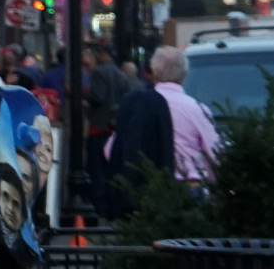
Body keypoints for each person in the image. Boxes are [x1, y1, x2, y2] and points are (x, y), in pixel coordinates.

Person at [102, 60, 176, 219]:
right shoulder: (165, 104)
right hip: (164, 192)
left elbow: (109, 150)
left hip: (128, 194)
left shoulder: (134, 102)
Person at [147, 47, 221, 191]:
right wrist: (215, 187)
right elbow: (214, 155)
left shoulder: (139, 106)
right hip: (188, 185)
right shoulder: (197, 109)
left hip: (148, 187)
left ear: (154, 71)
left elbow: (110, 150)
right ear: (184, 74)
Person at [80, 45, 132, 210]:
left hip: (98, 126)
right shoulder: (122, 75)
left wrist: (82, 94)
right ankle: (112, 206)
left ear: (103, 55)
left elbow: (98, 97)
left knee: (96, 171)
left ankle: (99, 207)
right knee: (112, 170)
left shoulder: (99, 72)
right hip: (113, 129)